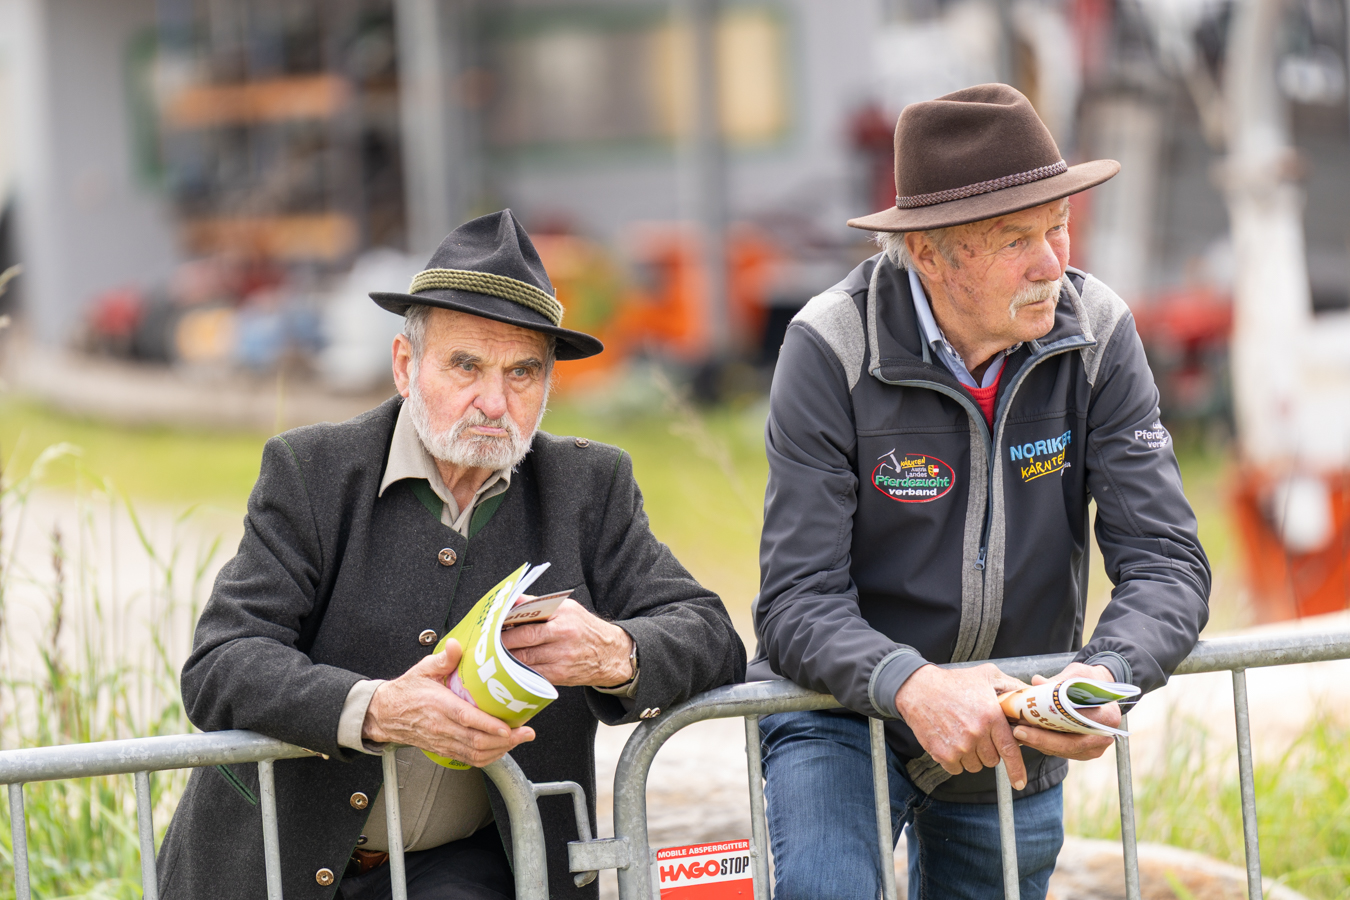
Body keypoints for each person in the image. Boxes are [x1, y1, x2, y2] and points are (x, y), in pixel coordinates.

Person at [156, 210, 747, 900]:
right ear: (406, 366)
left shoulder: (588, 486)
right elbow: (223, 662)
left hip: (463, 870)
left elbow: (712, 637)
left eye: (523, 372)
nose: (494, 402)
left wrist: (615, 653)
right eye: (466, 365)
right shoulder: (313, 471)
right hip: (272, 865)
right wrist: (376, 708)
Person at [751, 83, 1210, 900]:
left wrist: (1097, 681)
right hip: (840, 711)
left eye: (1057, 226)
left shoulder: (1099, 332)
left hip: (1018, 715)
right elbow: (796, 600)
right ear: (929, 253)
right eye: (1014, 240)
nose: (1051, 263)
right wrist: (913, 686)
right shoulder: (830, 344)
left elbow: (1168, 562)